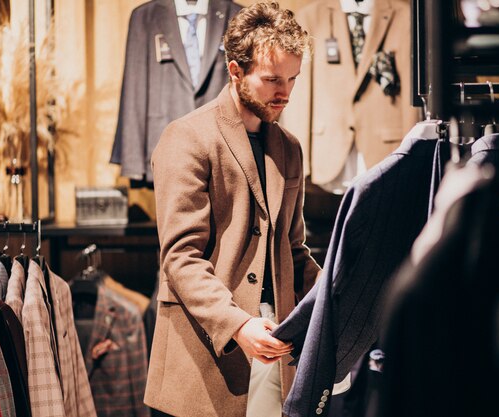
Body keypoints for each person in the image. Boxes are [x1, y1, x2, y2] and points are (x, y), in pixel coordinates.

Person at [143, 2, 322, 417]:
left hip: (278, 345)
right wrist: (238, 325)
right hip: (205, 356)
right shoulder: (186, 137)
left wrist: (334, 293)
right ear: (235, 71)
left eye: (293, 79)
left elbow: (292, 248)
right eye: (273, 79)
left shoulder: (289, 147)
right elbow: (181, 259)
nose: (286, 93)